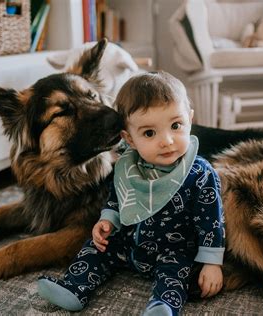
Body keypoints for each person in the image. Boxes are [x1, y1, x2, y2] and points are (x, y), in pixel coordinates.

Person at [37, 71, 225, 315]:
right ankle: (73, 287)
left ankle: (163, 306)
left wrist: (212, 262)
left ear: (189, 119)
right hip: (127, 242)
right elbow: (117, 197)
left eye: (176, 126)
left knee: (176, 275)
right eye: (149, 133)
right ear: (130, 139)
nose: (167, 141)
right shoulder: (128, 165)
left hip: (173, 250)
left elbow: (211, 221)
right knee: (96, 247)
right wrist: (108, 219)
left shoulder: (200, 172)